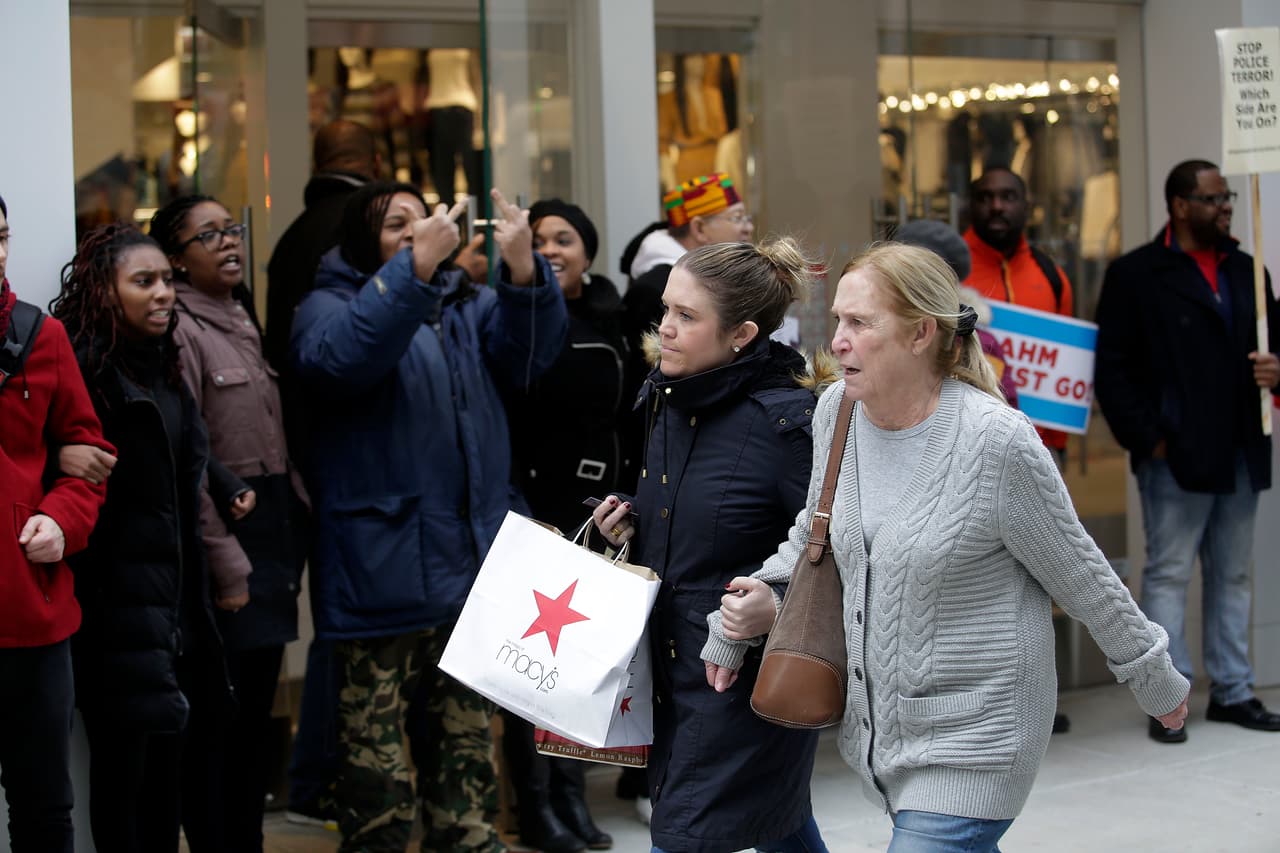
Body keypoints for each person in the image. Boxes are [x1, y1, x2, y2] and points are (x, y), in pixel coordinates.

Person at [701, 242, 1190, 851]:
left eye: (859, 323)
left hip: (980, 740)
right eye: (837, 323)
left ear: (920, 334)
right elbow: (813, 534)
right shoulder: (838, 413)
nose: (839, 342)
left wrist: (1155, 680)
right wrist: (740, 618)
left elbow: (1084, 577)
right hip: (885, 736)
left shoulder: (995, 442)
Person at [290, 182, 567, 852]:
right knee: (378, 797)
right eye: (396, 224)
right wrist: (412, 271)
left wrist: (526, 270)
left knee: (468, 779)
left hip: (468, 575)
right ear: (365, 241)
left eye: (426, 220)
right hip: (380, 577)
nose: (419, 232)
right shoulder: (326, 305)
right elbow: (341, 360)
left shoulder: (462, 306)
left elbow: (532, 356)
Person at [592, 238, 831, 853]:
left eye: (687, 316)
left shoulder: (789, 424)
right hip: (668, 667)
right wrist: (628, 524)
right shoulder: (665, 398)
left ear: (742, 333)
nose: (665, 329)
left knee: (684, 836)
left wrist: (771, 602)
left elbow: (829, 549)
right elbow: (687, 514)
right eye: (667, 309)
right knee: (780, 828)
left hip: (740, 681)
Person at [50, 223, 236, 853]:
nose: (164, 294)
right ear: (104, 292)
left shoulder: (167, 370)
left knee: (168, 784)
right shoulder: (85, 377)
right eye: (144, 281)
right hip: (113, 616)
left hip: (177, 611)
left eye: (167, 280)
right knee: (125, 785)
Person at [1095, 158, 1280, 744]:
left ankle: (1234, 691)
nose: (1225, 207)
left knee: (1233, 574)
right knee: (1170, 573)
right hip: (1173, 454)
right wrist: (1149, 438)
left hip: (1240, 449)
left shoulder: (1248, 271)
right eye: (1212, 198)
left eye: (1227, 197)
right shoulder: (1136, 274)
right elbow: (1114, 371)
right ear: (1179, 205)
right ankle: (1167, 699)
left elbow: (1275, 346)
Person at [150, 194, 311, 849]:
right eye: (207, 234)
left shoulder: (240, 315)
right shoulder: (181, 329)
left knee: (256, 718)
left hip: (273, 525)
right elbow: (191, 461)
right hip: (228, 541)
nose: (227, 242)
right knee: (221, 719)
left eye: (231, 229)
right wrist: (227, 562)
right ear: (177, 261)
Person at [502, 199, 624, 852]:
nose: (551, 248)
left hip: (597, 511)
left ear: (587, 249)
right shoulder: (510, 314)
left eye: (564, 238)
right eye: (538, 237)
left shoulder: (615, 314)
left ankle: (573, 794)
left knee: (578, 665)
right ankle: (536, 804)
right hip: (531, 513)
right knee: (529, 669)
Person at [0, 193, 111, 853]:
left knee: (43, 808)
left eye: (3, 236)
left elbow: (89, 461)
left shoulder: (41, 335)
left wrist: (60, 522)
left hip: (31, 621)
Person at [962, 166, 1073, 457]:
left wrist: (1059, 444)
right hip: (969, 446)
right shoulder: (948, 272)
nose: (997, 206)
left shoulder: (1051, 275)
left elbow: (1065, 364)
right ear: (971, 206)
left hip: (1040, 446)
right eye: (986, 198)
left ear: (1027, 206)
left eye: (1007, 197)